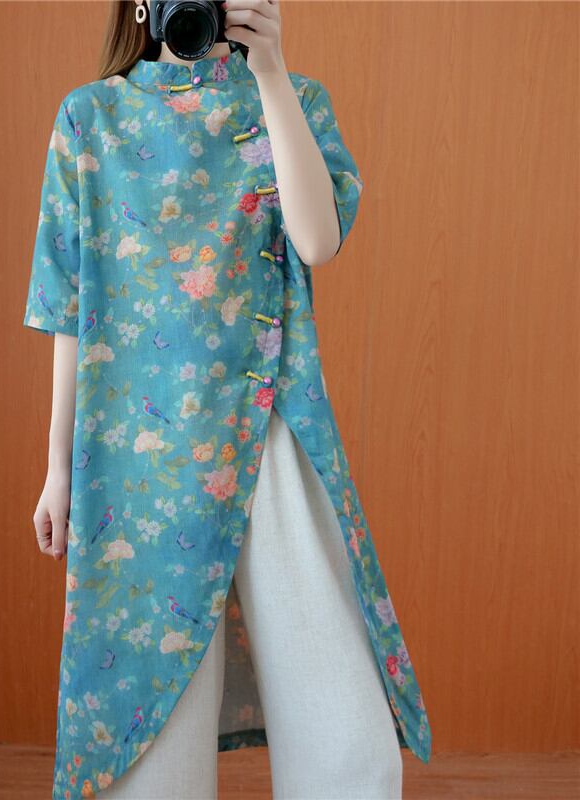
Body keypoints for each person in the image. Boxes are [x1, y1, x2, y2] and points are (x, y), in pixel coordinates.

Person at [25, 1, 432, 798]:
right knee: (149, 760)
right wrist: (57, 467)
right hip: (136, 460)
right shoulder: (90, 118)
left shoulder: (293, 101)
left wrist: (270, 71)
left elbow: (318, 240)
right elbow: (66, 304)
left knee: (350, 749)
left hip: (268, 426)